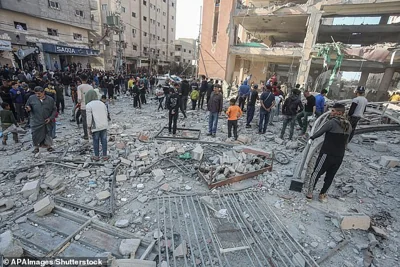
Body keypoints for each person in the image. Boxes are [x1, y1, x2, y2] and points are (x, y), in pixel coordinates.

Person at [306, 103, 352, 202]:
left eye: (333, 111)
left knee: (316, 173)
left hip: (326, 154)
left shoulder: (331, 123)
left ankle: (310, 193)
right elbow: (347, 141)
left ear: (339, 112)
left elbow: (320, 132)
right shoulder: (349, 125)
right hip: (339, 155)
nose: (331, 112)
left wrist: (311, 138)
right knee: (330, 176)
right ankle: (322, 195)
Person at [25, 86, 57, 153]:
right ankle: (36, 147)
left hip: (46, 121)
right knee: (35, 134)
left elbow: (54, 110)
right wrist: (28, 108)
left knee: (47, 133)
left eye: (39, 93)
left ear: (43, 93)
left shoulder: (50, 99)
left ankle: (48, 146)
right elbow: (27, 105)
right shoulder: (31, 98)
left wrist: (50, 118)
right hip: (35, 120)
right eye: (36, 93)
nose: (37, 95)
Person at [86, 90, 109, 161]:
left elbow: (89, 118)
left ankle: (96, 156)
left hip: (95, 126)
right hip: (104, 125)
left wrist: (89, 127)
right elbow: (106, 114)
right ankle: (105, 155)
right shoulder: (102, 103)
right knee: (104, 140)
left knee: (96, 141)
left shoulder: (89, 105)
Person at [77, 74, 94, 139]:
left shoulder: (79, 87)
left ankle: (86, 135)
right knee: (91, 119)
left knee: (84, 121)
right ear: (87, 79)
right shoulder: (91, 87)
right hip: (91, 105)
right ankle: (92, 132)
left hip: (83, 106)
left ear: (81, 79)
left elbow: (79, 98)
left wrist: (79, 103)